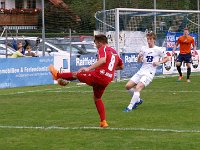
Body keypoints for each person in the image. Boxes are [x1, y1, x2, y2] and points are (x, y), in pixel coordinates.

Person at [48, 34, 124, 127]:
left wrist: (89, 68)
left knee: (78, 74)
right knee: (97, 98)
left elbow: (103, 60)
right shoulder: (114, 52)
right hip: (107, 79)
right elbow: (121, 66)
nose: (95, 45)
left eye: (95, 42)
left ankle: (57, 75)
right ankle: (103, 121)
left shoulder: (102, 49)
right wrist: (109, 69)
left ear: (99, 42)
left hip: (99, 76)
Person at [123, 32, 168, 112]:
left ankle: (130, 107)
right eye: (147, 39)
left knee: (138, 88)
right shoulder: (143, 48)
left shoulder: (158, 49)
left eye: (150, 39)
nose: (149, 41)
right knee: (127, 86)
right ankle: (138, 100)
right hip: (141, 71)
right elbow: (139, 61)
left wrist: (159, 62)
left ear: (154, 40)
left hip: (149, 73)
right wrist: (140, 56)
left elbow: (167, 58)